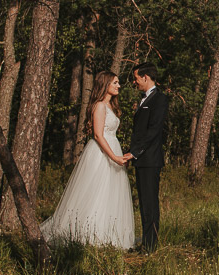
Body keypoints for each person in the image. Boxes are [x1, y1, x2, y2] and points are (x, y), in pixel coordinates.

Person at [41, 71, 135, 249]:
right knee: (95, 192)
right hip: (101, 152)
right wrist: (114, 157)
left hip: (113, 147)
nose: (118, 86)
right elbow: (98, 135)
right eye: (115, 82)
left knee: (111, 193)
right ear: (105, 84)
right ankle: (87, 234)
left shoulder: (111, 107)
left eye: (118, 83)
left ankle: (110, 235)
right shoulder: (99, 106)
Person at [122, 62, 168, 252]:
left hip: (150, 159)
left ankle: (150, 247)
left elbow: (154, 131)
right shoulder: (144, 99)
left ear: (145, 77)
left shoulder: (160, 99)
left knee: (150, 203)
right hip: (142, 160)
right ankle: (147, 243)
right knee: (144, 203)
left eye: (136, 78)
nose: (135, 82)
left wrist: (135, 152)